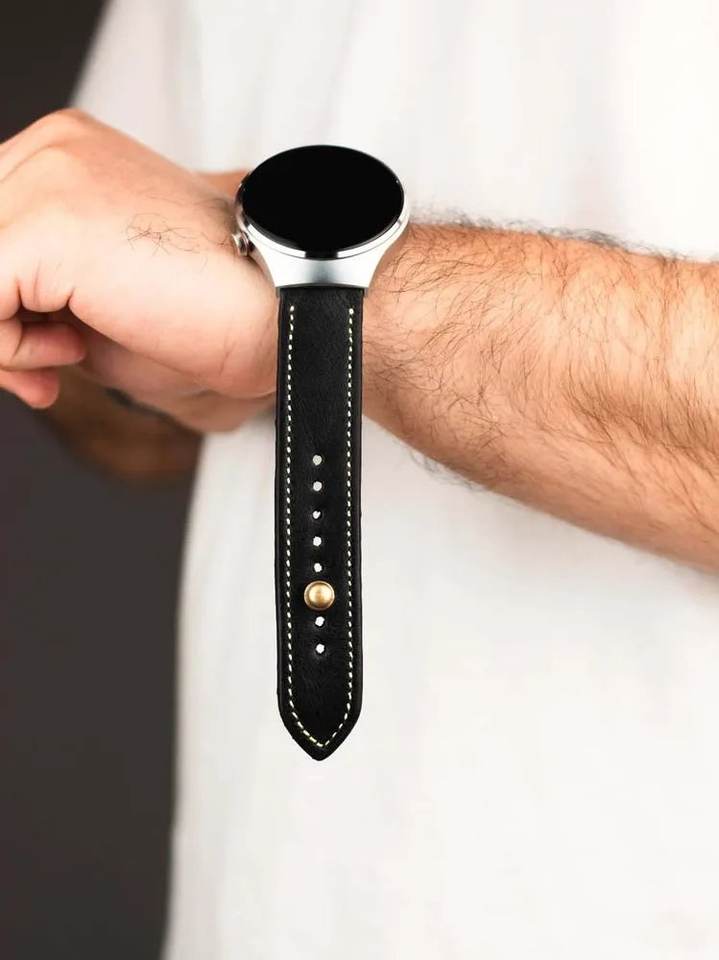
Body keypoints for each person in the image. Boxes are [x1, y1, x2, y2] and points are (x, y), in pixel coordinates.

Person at [3, 0, 719, 955]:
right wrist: (126, 336)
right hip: (271, 902)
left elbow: (223, 281)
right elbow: (135, 429)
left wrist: (315, 302)